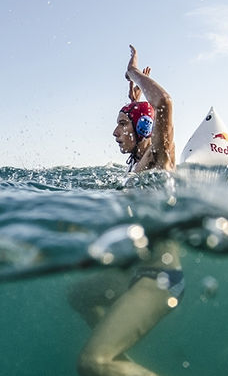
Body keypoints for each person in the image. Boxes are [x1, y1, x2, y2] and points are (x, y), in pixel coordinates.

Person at [72, 45, 181, 376]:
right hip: (132, 273)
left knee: (92, 362)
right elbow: (146, 114)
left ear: (144, 129)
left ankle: (107, 357)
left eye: (123, 124)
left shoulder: (160, 161)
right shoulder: (138, 163)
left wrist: (131, 71)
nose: (115, 132)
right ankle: (119, 358)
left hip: (159, 277)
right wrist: (134, 99)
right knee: (78, 295)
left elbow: (164, 105)